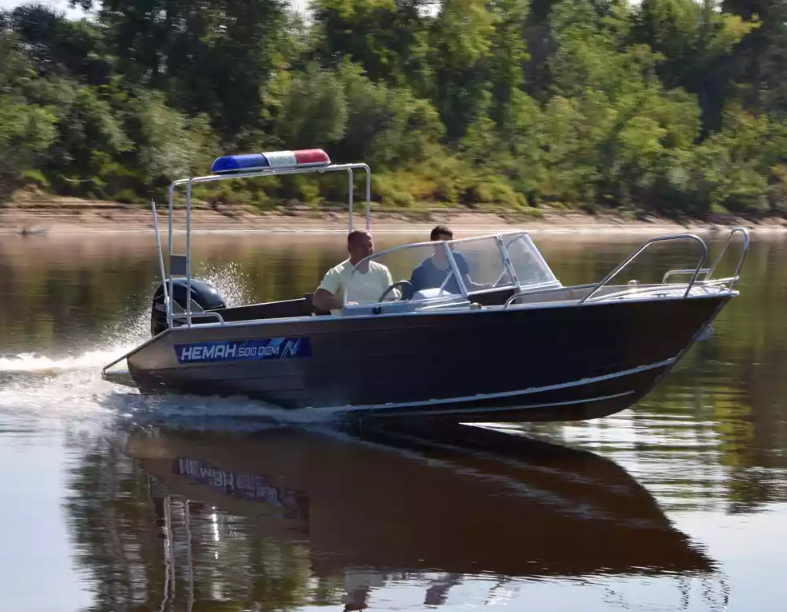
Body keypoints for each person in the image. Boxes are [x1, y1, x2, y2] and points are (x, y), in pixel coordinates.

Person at [313, 230, 395, 315]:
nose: (368, 251)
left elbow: (392, 299)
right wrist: (345, 304)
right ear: (350, 249)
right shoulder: (337, 272)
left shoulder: (382, 271)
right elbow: (319, 299)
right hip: (349, 323)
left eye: (370, 246)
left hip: (379, 320)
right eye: (362, 247)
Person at [409, 225, 472, 295]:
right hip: (438, 305)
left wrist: (485, 287)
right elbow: (414, 300)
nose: (449, 247)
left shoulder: (458, 258)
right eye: (444, 244)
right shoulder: (420, 271)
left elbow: (469, 285)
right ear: (434, 244)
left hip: (460, 303)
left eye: (451, 243)